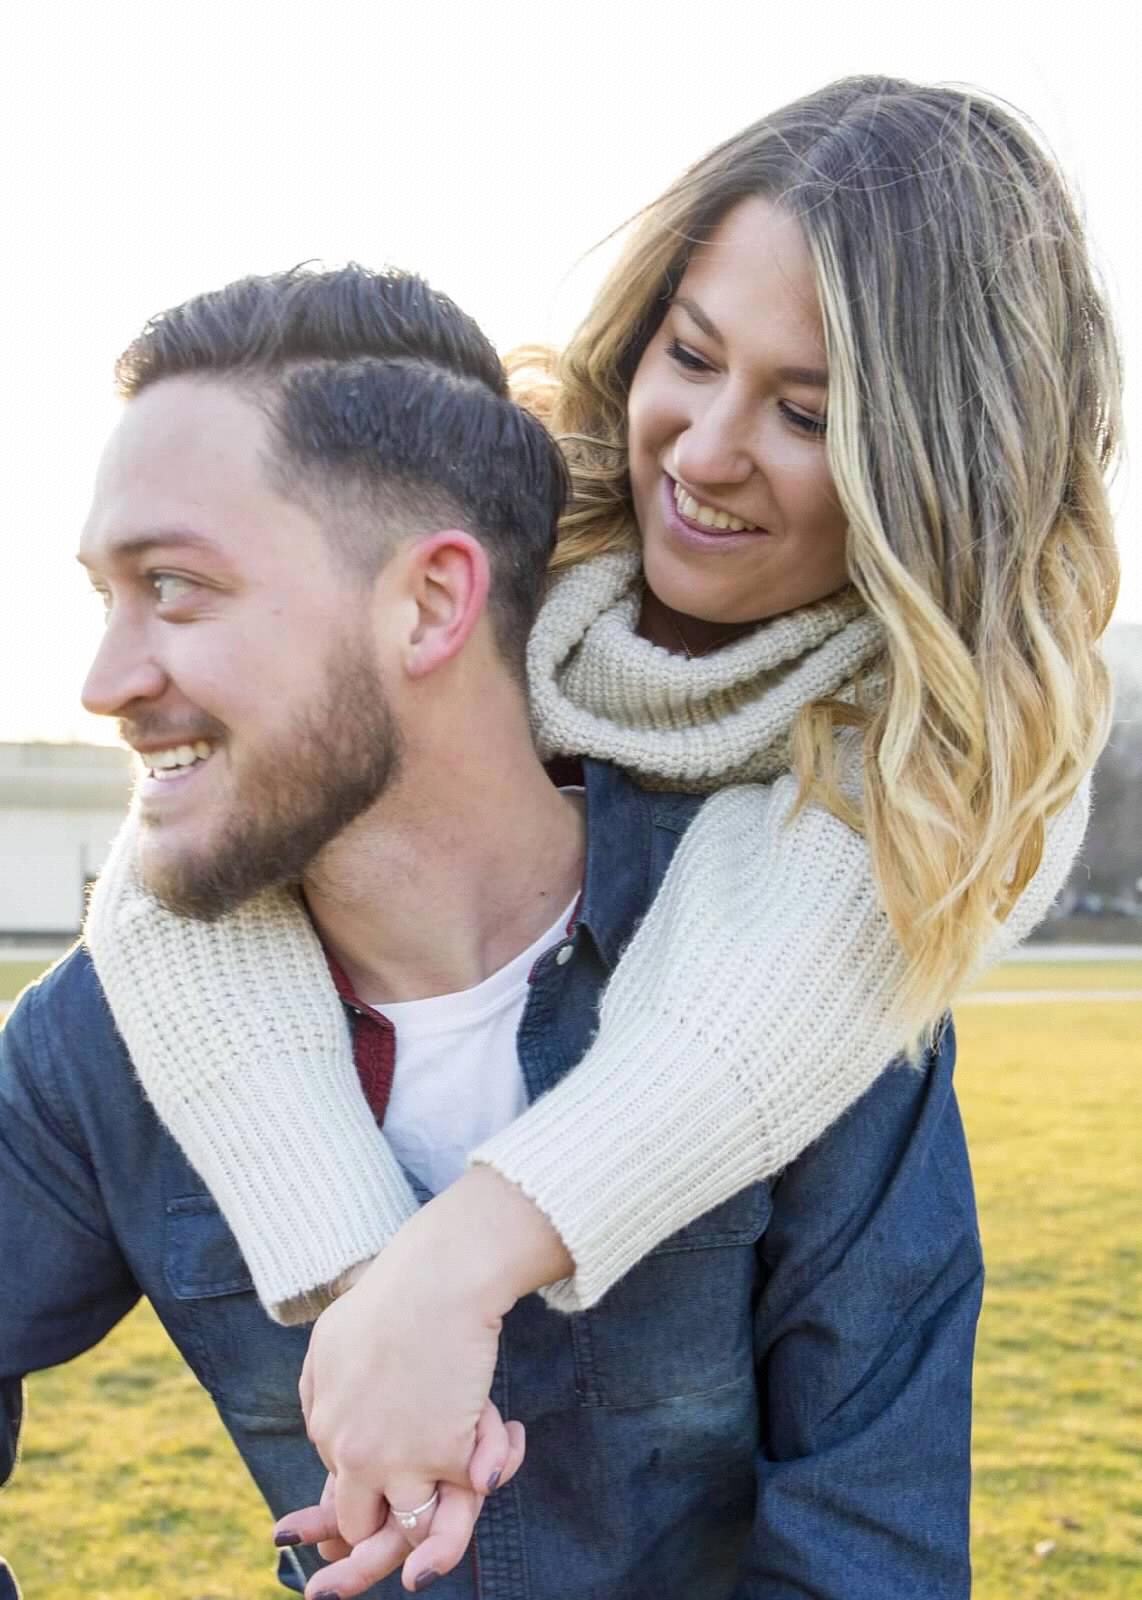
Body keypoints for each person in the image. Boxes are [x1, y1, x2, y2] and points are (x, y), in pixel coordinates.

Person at [85, 74, 1117, 1590]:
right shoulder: (495, 531)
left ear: (938, 468)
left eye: (806, 413)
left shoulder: (937, 768)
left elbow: (798, 979)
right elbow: (183, 845)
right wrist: (371, 1285)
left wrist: (458, 1265)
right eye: (688, 355)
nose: (701, 450)